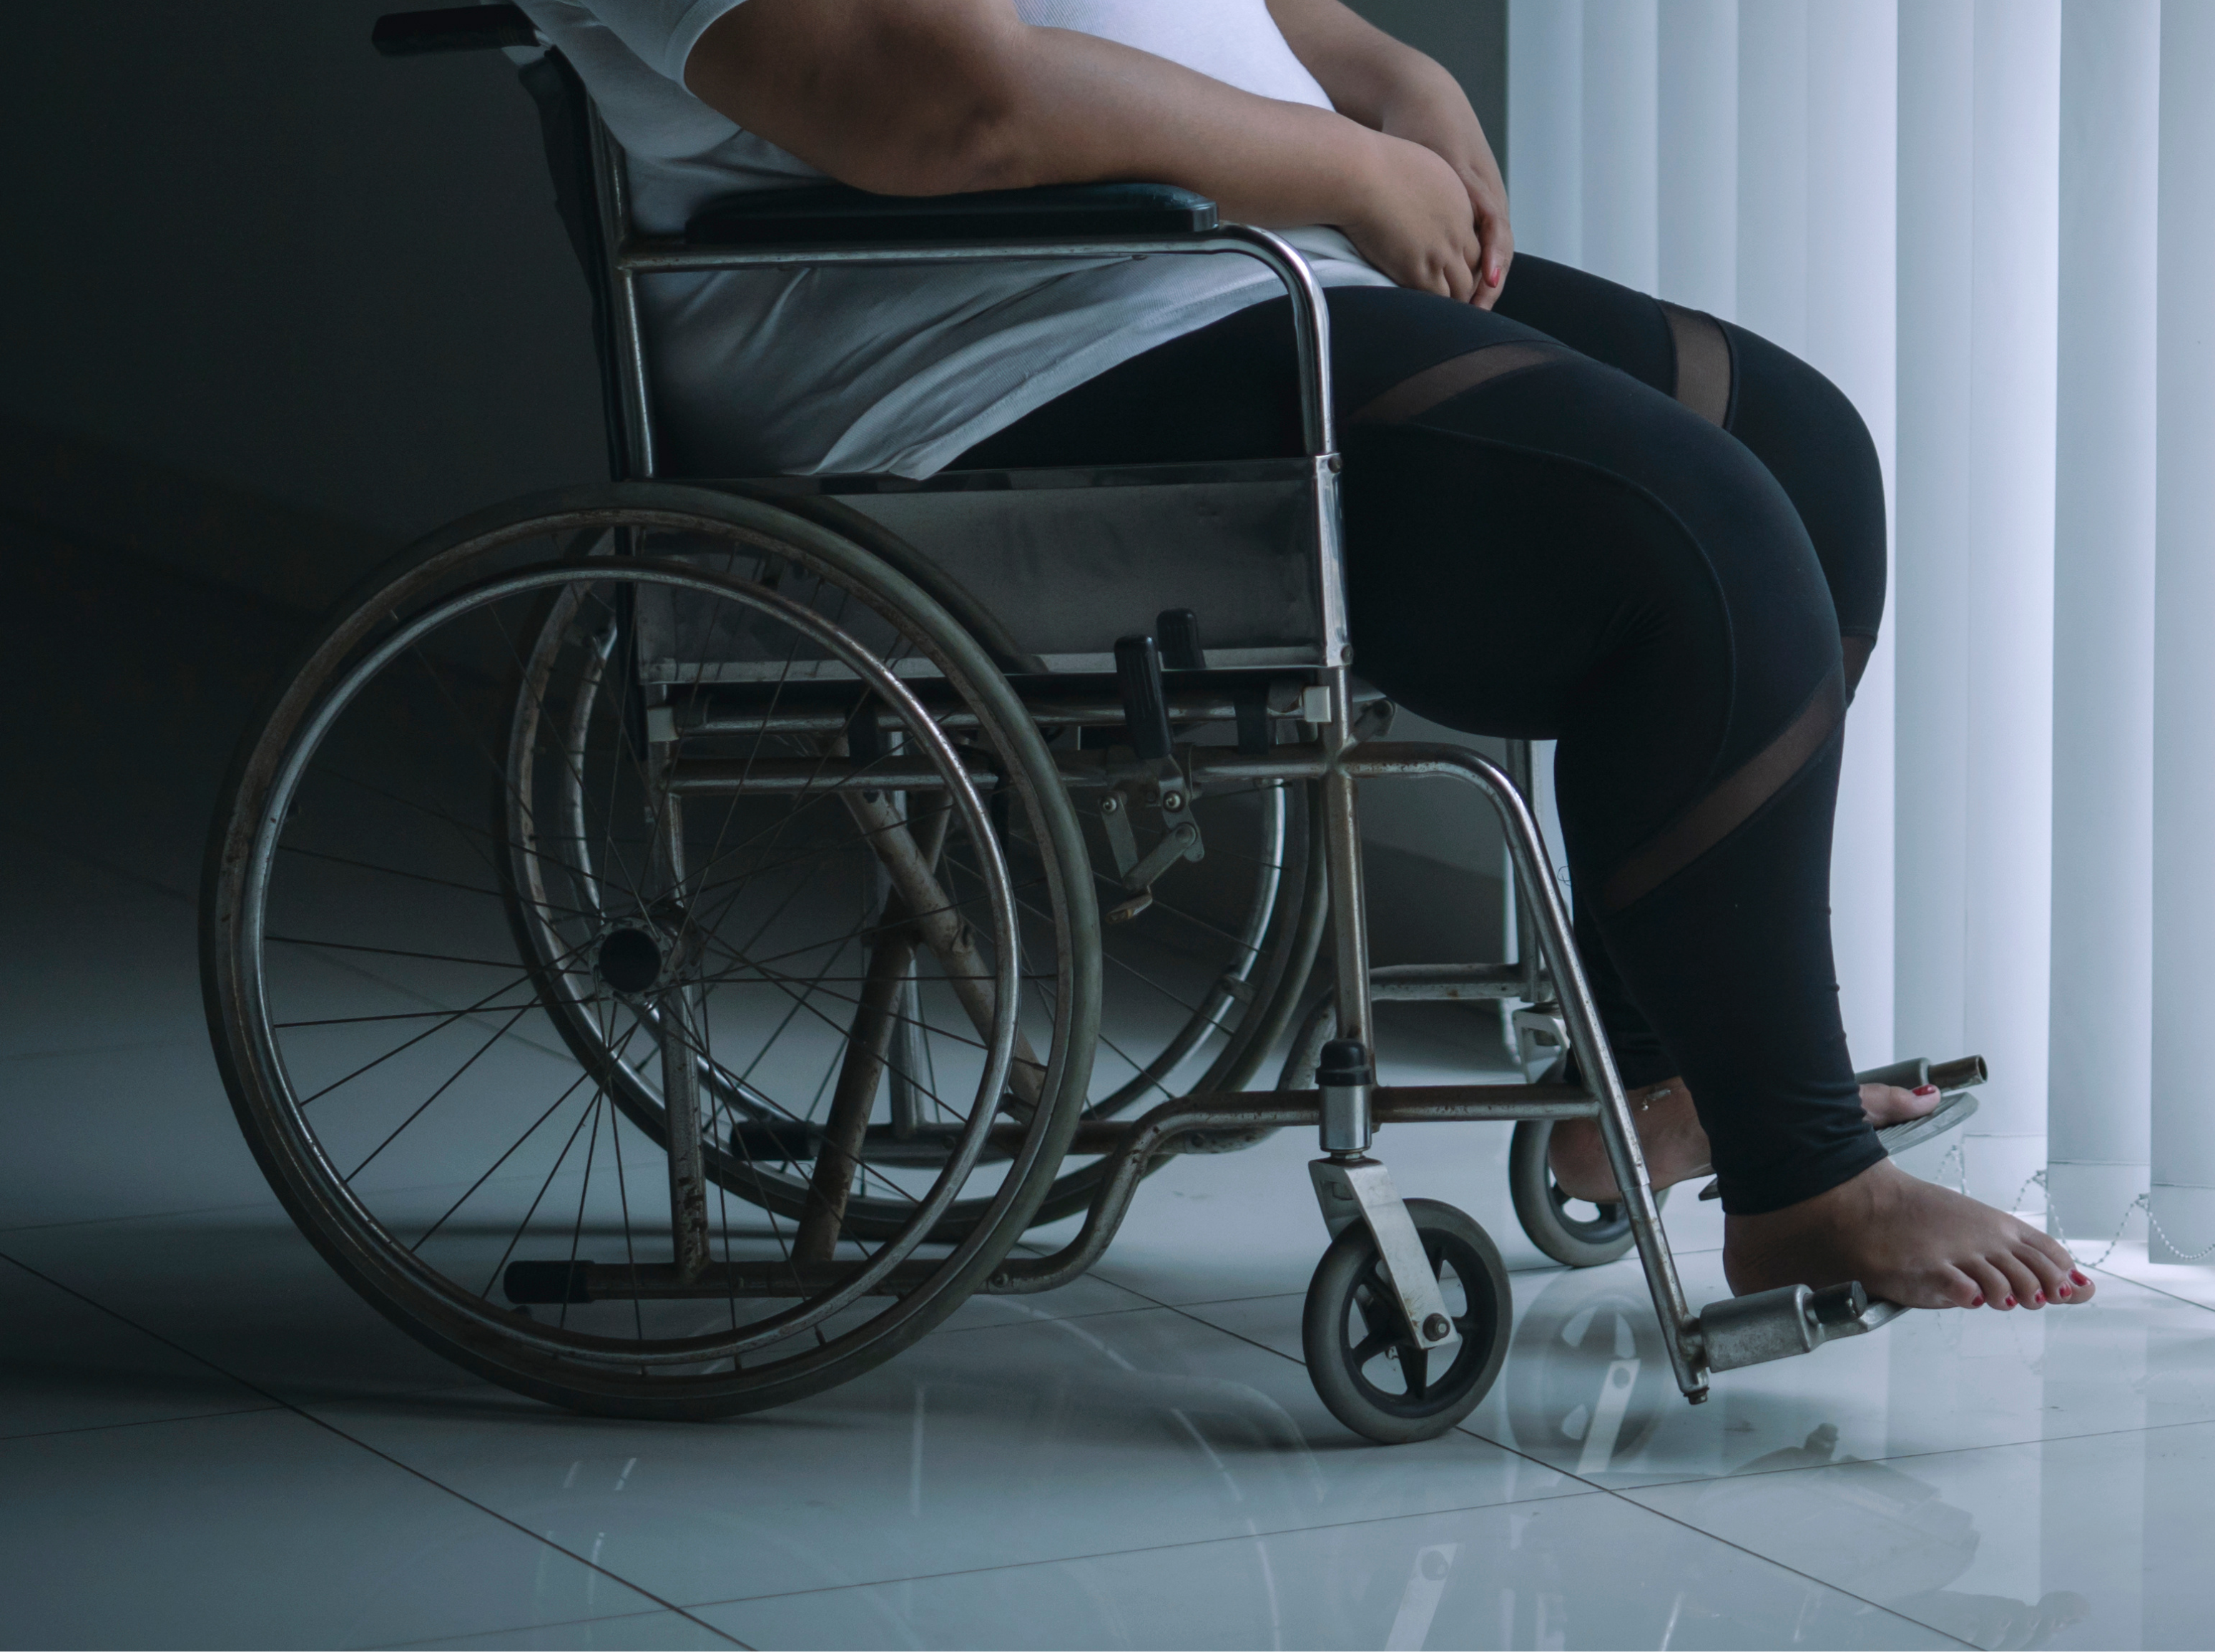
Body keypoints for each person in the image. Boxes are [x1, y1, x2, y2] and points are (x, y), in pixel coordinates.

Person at [525, 0, 2091, 1314]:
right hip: (979, 350)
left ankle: (1672, 1079)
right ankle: (1801, 1183)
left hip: (1204, 261)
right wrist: (1342, 161)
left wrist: (1383, 75)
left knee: (1797, 453)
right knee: (1694, 538)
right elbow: (954, 105)